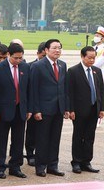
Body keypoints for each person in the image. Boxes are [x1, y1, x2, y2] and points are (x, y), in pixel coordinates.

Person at [29, 39, 69, 177]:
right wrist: (36, 110)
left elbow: (64, 88)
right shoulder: (38, 66)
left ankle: (53, 165)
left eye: (59, 48)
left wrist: (66, 108)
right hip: (43, 109)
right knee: (42, 139)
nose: (57, 50)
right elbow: (33, 90)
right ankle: (40, 166)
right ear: (46, 50)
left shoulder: (63, 65)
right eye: (54, 48)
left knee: (55, 138)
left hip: (58, 108)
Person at [0, 43, 29, 179]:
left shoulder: (25, 67)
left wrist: (28, 109)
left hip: (20, 110)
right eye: (15, 58)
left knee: (18, 140)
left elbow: (27, 90)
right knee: (1, 140)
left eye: (20, 58)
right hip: (3, 110)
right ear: (8, 55)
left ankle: (15, 166)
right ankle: (0, 167)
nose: (18, 61)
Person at [68, 46, 104, 174]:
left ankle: (86, 161)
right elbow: (70, 93)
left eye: (94, 58)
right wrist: (71, 109)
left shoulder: (97, 71)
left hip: (94, 109)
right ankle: (76, 162)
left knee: (90, 136)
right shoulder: (73, 71)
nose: (92, 60)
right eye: (89, 58)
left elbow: (101, 91)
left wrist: (102, 109)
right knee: (78, 136)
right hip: (79, 110)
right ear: (82, 56)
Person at [25, 42, 46, 166]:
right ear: (38, 54)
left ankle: (41, 154)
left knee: (43, 133)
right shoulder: (29, 66)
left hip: (46, 104)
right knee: (31, 131)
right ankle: (30, 153)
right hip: (33, 104)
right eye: (42, 56)